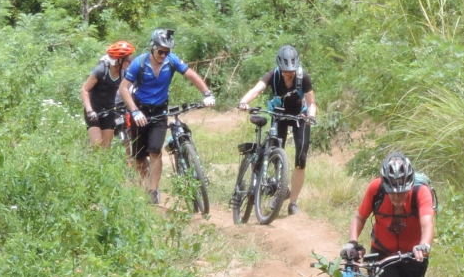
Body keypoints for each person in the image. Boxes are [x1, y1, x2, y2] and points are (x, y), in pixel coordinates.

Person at [344, 150, 434, 277]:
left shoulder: (421, 191)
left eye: (402, 192)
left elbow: (427, 223)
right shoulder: (376, 189)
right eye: (393, 193)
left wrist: (424, 245)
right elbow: (360, 217)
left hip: (414, 257)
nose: (397, 197)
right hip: (384, 255)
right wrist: (353, 241)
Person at [120, 28, 215, 204]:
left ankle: (154, 191)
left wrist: (207, 93)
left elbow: (191, 75)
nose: (164, 55)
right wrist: (134, 110)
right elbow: (123, 89)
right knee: (140, 157)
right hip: (140, 110)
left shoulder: (171, 60)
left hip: (159, 111)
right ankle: (143, 186)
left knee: (155, 151)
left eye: (167, 52)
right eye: (160, 51)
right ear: (152, 48)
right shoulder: (139, 63)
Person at [236, 44, 316, 214]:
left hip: (299, 117)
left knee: (301, 157)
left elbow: (311, 103)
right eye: (285, 70)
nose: (288, 73)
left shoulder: (304, 78)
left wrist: (311, 116)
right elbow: (256, 90)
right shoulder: (273, 75)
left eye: (291, 70)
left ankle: (292, 202)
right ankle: (280, 187)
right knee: (274, 152)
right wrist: (244, 101)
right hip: (278, 114)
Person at [80, 41, 133, 148]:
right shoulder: (101, 71)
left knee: (105, 148)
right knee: (96, 144)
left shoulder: (123, 73)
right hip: (94, 111)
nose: (130, 63)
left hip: (109, 111)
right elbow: (84, 90)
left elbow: (127, 90)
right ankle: (86, 162)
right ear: (119, 60)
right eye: (128, 60)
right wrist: (89, 110)